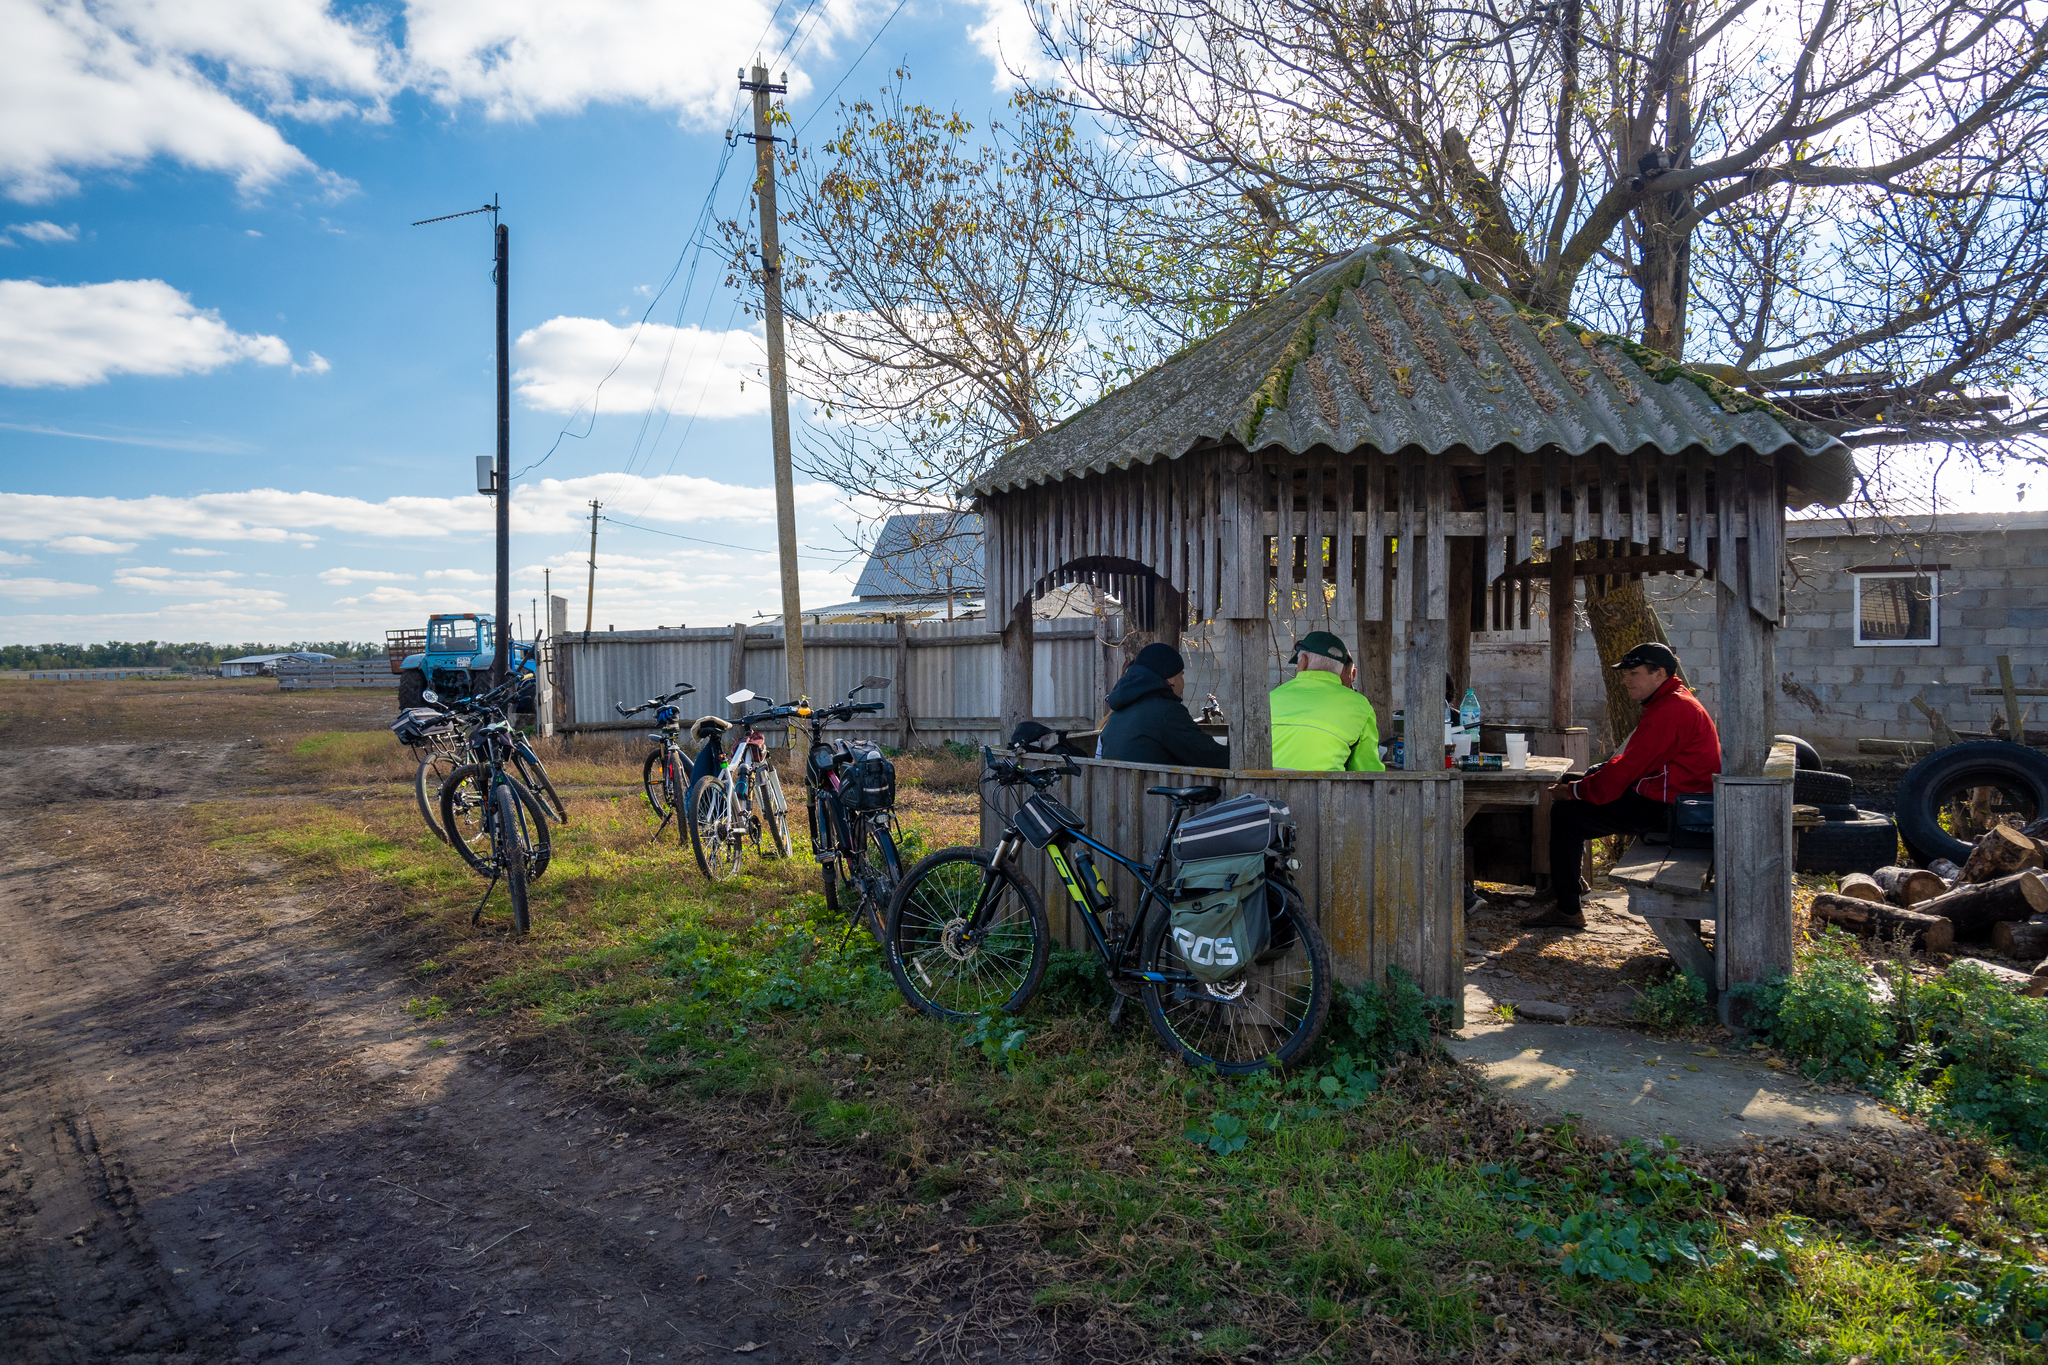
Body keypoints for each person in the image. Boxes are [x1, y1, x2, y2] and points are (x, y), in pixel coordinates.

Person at [1522, 642, 1722, 930]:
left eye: (1633, 673)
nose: (1625, 680)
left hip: (1673, 812)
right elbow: (1633, 764)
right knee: (1572, 783)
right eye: (1625, 673)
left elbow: (1627, 770)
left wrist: (1576, 791)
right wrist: (1581, 782)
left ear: (1659, 674)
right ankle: (1567, 885)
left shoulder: (1672, 710)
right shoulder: (1672, 701)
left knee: (1567, 815)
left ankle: (1567, 909)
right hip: (1675, 800)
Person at [1097, 643, 1230, 769]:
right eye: (1181, 675)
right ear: (1169, 678)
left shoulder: (1117, 714)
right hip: (1153, 791)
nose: (1183, 683)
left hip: (1119, 790)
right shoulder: (1167, 712)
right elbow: (1210, 756)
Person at [1269, 631, 1384, 771]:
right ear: (1342, 669)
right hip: (1327, 792)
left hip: (1262, 791)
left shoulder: (1270, 697)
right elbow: (1367, 771)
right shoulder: (1360, 706)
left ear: (1303, 662)